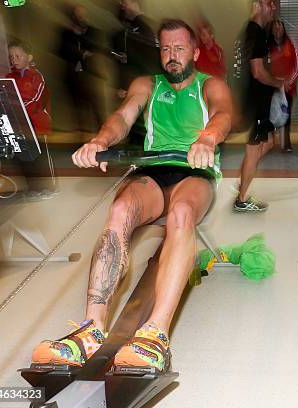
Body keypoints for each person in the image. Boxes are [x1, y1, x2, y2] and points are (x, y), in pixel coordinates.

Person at [31, 19, 233, 371]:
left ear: (195, 52)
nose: (172, 56)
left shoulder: (209, 85)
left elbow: (223, 114)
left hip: (195, 168)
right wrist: (100, 141)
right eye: (166, 49)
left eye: (180, 48)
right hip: (154, 170)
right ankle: (91, 329)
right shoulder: (146, 84)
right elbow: (122, 117)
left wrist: (207, 139)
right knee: (121, 207)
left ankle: (155, 335)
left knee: (181, 213)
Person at [233, 0, 284, 212]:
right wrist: (278, 82)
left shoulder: (254, 30)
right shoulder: (255, 32)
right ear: (258, 4)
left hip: (258, 104)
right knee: (253, 152)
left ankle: (243, 176)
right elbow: (258, 72)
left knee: (269, 142)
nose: (273, 7)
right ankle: (242, 200)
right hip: (255, 105)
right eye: (269, 3)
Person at [6, 40, 57, 198]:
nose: (14, 60)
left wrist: (14, 106)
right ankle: (33, 187)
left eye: (18, 56)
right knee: (23, 156)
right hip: (19, 125)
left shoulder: (36, 76)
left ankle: (50, 187)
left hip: (37, 125)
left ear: (29, 57)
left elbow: (35, 100)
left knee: (40, 157)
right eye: (11, 57)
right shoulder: (9, 77)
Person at [111, 0, 159, 147]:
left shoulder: (145, 28)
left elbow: (151, 56)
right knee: (133, 121)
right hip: (133, 83)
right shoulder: (122, 34)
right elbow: (121, 63)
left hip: (146, 81)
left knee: (146, 120)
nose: (124, 5)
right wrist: (121, 85)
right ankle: (136, 149)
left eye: (128, 2)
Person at [59, 4, 107, 132]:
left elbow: (97, 46)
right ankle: (81, 133)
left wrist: (82, 35)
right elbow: (61, 50)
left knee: (96, 105)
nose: (81, 17)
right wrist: (80, 52)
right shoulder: (66, 33)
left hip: (89, 75)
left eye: (83, 14)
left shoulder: (90, 31)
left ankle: (103, 131)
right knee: (77, 107)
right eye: (78, 14)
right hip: (72, 74)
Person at [268, 18, 298, 152]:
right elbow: (263, 66)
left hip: (288, 87)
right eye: (274, 27)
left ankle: (286, 143)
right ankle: (268, 143)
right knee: (269, 115)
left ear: (283, 29)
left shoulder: (291, 44)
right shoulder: (266, 45)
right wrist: (272, 82)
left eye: (279, 27)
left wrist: (288, 83)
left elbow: (297, 66)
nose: (277, 30)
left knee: (286, 116)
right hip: (271, 86)